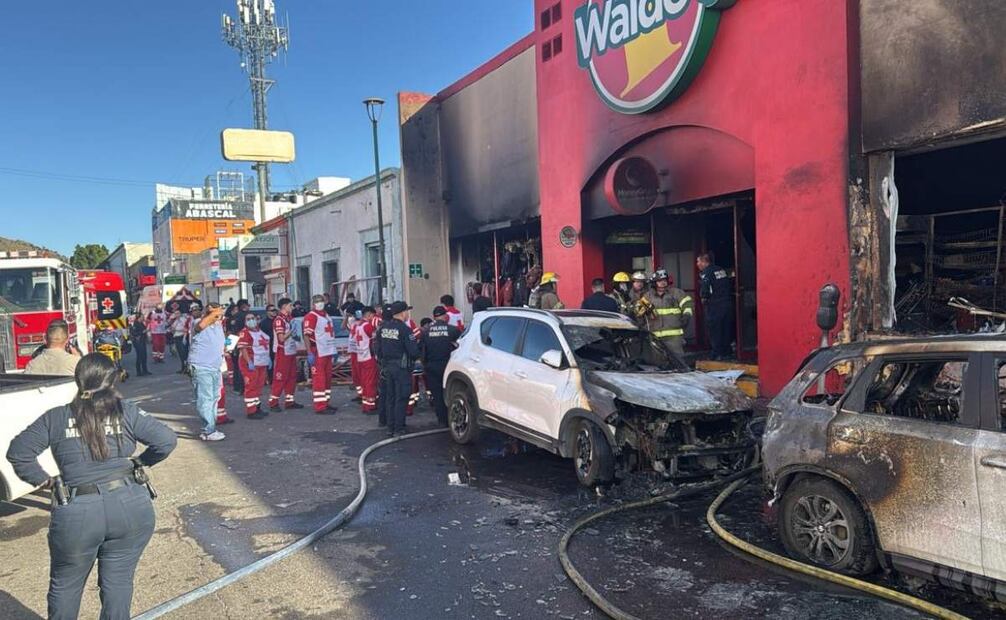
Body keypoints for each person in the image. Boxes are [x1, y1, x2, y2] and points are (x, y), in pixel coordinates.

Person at [6, 353, 177, 620]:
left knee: (66, 585)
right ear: (112, 382)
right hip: (129, 505)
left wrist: (46, 480)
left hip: (78, 511)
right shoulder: (126, 411)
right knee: (118, 582)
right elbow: (166, 440)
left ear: (78, 380)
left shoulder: (57, 417)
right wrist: (140, 463)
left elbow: (19, 451)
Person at [378, 301, 421, 437]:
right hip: (401, 368)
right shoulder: (405, 330)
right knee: (401, 397)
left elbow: (377, 348)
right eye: (407, 311)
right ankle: (399, 428)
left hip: (387, 367)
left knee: (390, 397)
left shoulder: (384, 327)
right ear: (402, 313)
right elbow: (413, 352)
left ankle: (390, 427)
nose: (408, 313)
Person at [189, 302, 228, 441]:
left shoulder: (218, 326)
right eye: (216, 314)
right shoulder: (199, 322)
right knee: (205, 399)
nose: (219, 316)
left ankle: (211, 427)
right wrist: (213, 314)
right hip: (201, 367)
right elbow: (200, 327)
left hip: (215, 367)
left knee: (214, 398)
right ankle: (208, 430)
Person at [423, 306, 462, 427]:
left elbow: (422, 352)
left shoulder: (426, 331)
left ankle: (442, 420)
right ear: (445, 316)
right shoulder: (453, 330)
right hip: (448, 365)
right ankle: (453, 419)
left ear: (434, 317)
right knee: (451, 392)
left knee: (437, 395)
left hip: (432, 366)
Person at [644, 269, 693, 360]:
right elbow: (639, 311)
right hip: (655, 335)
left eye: (664, 280)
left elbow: (687, 304)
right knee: (658, 361)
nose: (663, 283)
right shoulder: (648, 296)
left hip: (674, 336)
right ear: (654, 283)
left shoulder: (676, 293)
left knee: (679, 360)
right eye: (659, 281)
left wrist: (686, 315)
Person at [303, 294, 338, 414]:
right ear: (313, 304)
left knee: (327, 379)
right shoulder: (311, 316)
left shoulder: (326, 316)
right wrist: (309, 353)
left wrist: (334, 350)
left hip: (327, 350)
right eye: (317, 301)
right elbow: (306, 335)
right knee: (319, 379)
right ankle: (320, 406)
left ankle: (326, 402)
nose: (320, 303)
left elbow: (329, 333)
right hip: (317, 351)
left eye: (321, 301)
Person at [697, 253, 735, 360]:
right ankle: (727, 352)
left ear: (705, 262)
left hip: (715, 305)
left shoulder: (706, 273)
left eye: (698, 261)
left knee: (715, 329)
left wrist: (704, 299)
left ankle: (717, 353)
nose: (697, 264)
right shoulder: (721, 270)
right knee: (726, 328)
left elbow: (705, 289)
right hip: (727, 303)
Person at [236, 313, 271, 419]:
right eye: (248, 319)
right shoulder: (244, 333)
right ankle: (251, 411)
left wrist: (268, 359)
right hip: (250, 363)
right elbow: (243, 348)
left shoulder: (259, 331)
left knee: (258, 386)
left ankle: (257, 407)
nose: (251, 320)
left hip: (261, 362)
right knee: (251, 386)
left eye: (253, 318)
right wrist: (249, 362)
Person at [354, 306, 380, 413]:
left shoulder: (358, 326)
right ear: (369, 314)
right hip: (369, 357)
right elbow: (375, 338)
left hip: (360, 357)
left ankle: (366, 404)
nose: (372, 318)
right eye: (372, 316)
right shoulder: (368, 326)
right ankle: (370, 406)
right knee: (370, 382)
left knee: (364, 382)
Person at [227, 300, 250, 394]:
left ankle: (237, 387)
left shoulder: (231, 318)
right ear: (244, 306)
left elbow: (228, 333)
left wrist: (228, 347)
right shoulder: (245, 316)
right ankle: (242, 387)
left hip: (232, 341)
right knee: (242, 366)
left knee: (236, 365)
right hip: (242, 343)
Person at [167, 305, 192, 374]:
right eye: (175, 313)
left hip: (182, 337)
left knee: (184, 353)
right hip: (176, 337)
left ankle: (186, 368)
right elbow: (170, 327)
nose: (176, 314)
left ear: (180, 313)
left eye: (178, 313)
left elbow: (186, 329)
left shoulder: (183, 320)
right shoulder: (174, 321)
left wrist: (177, 329)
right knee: (180, 354)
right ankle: (183, 368)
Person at [129, 312, 150, 377]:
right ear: (139, 317)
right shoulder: (135, 324)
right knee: (139, 356)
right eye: (142, 316)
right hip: (138, 342)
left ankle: (145, 370)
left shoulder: (141, 323)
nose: (143, 317)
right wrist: (143, 332)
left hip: (142, 341)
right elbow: (134, 333)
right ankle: (138, 372)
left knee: (144, 356)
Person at [261, 305, 277, 383]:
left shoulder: (278, 321)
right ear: (267, 312)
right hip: (268, 347)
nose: (274, 312)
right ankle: (271, 380)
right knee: (270, 365)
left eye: (275, 310)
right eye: (272, 310)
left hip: (278, 345)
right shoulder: (263, 323)